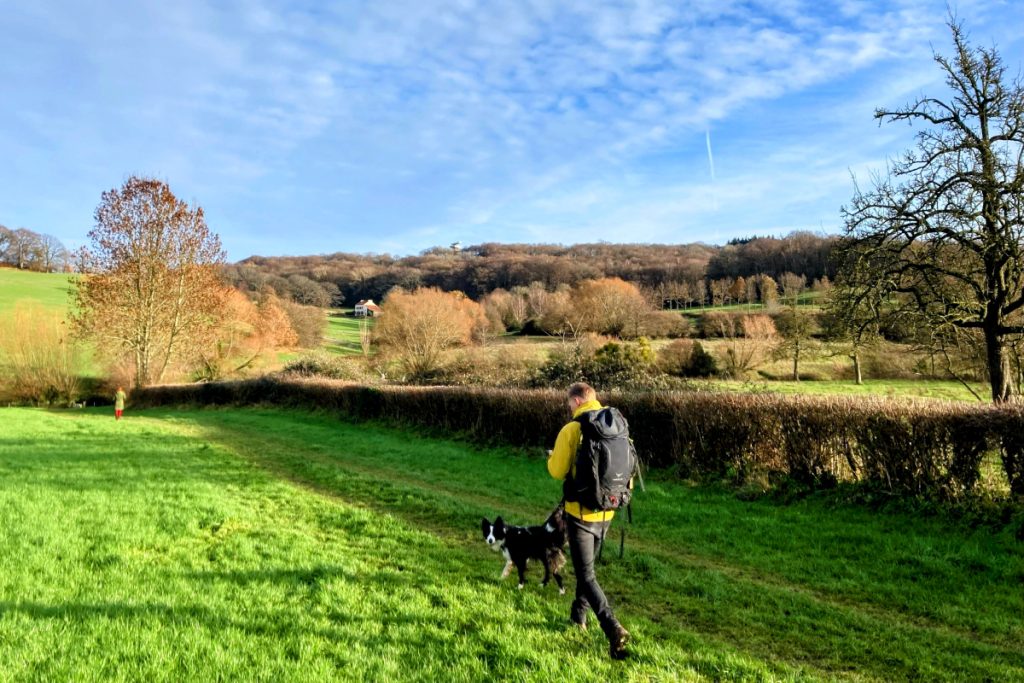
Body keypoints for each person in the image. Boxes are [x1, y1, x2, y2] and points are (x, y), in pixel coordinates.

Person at [547, 382, 630, 660]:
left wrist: (551, 458)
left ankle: (612, 627)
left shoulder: (573, 429)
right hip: (608, 509)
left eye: (569, 403)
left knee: (586, 575)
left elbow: (557, 471)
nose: (568, 408)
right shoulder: (614, 423)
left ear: (577, 400)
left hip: (580, 513)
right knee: (587, 568)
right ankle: (577, 616)